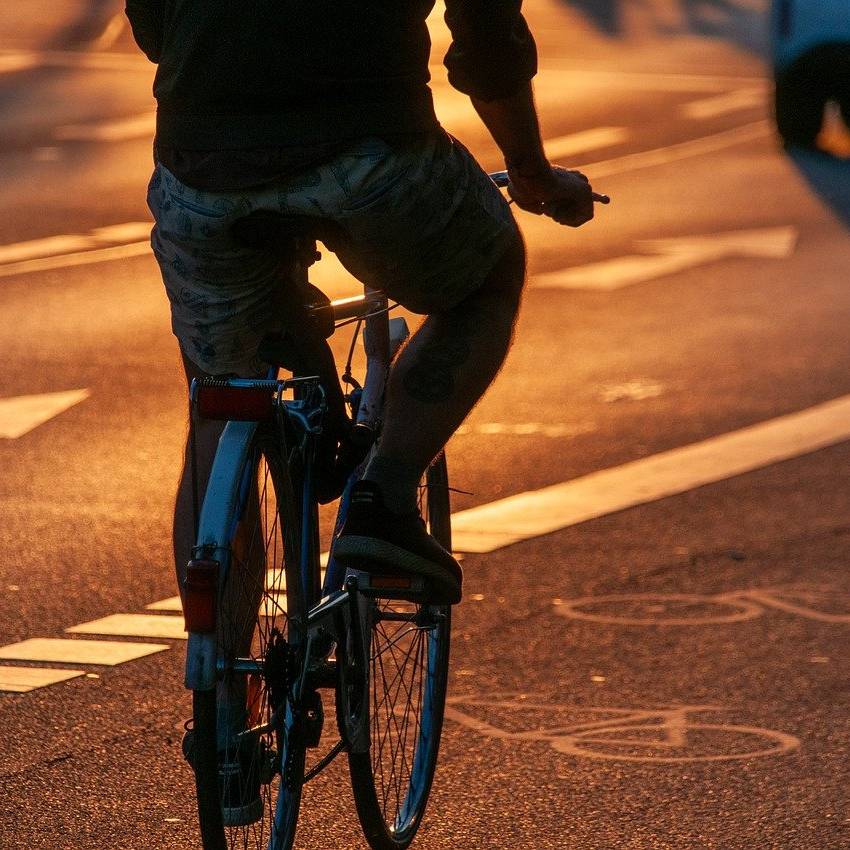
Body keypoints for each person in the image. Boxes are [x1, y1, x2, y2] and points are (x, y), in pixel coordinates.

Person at [126, 0, 605, 607]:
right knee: (487, 278)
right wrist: (532, 173)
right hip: (375, 156)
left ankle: (220, 672)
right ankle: (387, 496)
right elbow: (488, 39)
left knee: (220, 404)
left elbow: (151, 22)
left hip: (202, 171)